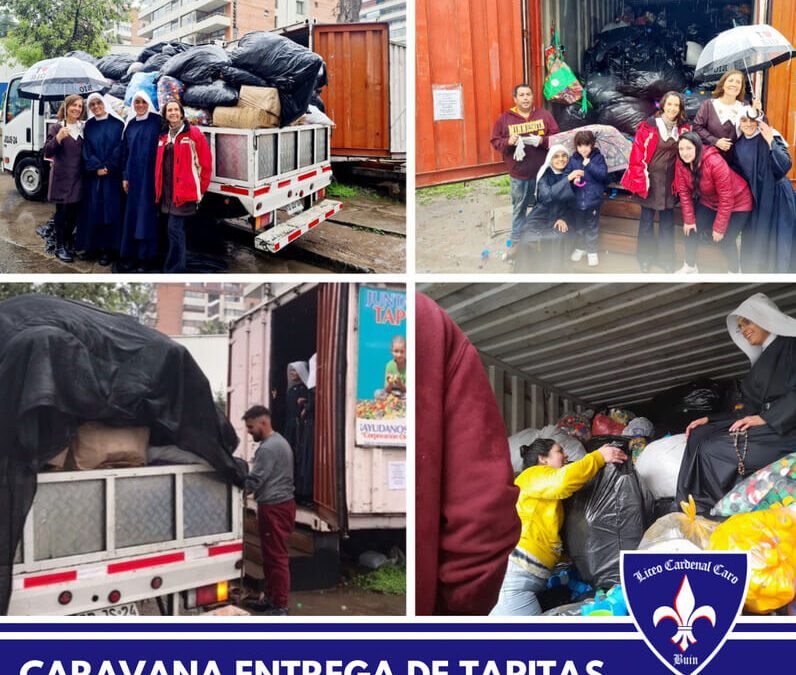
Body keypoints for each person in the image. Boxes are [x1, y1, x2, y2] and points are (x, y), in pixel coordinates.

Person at [415, 292, 520, 615]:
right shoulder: (428, 323)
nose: (563, 457)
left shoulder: (425, 324)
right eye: (559, 452)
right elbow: (486, 517)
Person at [676, 293, 796, 515]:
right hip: (767, 426)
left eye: (747, 321)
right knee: (699, 434)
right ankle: (684, 505)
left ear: (765, 317)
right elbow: (747, 412)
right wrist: (709, 419)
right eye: (740, 326)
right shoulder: (761, 362)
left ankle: (712, 513)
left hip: (786, 430)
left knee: (713, 451)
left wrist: (767, 417)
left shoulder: (791, 345)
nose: (743, 329)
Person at [489, 438, 627, 616]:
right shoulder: (532, 475)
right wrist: (598, 457)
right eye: (559, 451)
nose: (566, 455)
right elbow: (563, 481)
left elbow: (543, 532)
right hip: (513, 579)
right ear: (543, 459)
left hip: (523, 577)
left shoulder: (546, 495)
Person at [621, 91, 691, 273]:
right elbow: (636, 155)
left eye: (677, 105)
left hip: (670, 183)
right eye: (670, 104)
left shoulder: (683, 130)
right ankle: (645, 259)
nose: (673, 108)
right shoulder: (649, 126)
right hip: (649, 181)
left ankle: (667, 260)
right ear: (663, 105)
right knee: (646, 222)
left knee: (667, 223)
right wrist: (639, 180)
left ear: (680, 108)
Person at [673, 132, 753, 273]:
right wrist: (689, 219)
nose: (684, 153)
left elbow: (726, 197)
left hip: (739, 202)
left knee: (726, 238)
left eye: (689, 148)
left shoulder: (714, 162)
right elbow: (684, 193)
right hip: (710, 201)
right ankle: (690, 266)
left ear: (697, 148)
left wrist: (719, 228)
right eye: (681, 149)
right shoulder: (681, 163)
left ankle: (734, 272)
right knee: (690, 230)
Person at [243, 405, 296, 615]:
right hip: (278, 505)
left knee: (276, 557)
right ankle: (271, 599)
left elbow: (255, 479)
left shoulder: (267, 448)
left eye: (250, 427)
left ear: (263, 422)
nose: (249, 431)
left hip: (275, 507)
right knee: (270, 555)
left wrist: (235, 490)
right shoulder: (278, 442)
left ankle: (280, 606)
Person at [490, 84, 560, 242]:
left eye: (528, 94)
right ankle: (517, 242)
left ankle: (537, 239)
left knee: (542, 207)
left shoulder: (544, 115)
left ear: (533, 96)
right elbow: (495, 141)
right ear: (515, 99)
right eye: (521, 95)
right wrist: (509, 141)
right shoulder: (505, 118)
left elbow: (556, 137)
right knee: (519, 209)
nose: (525, 98)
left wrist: (542, 140)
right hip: (519, 174)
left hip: (542, 173)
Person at [733, 106, 796, 274]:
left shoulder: (771, 136)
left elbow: (785, 166)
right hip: (757, 200)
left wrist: (770, 142)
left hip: (778, 197)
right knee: (757, 241)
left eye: (752, 120)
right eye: (744, 120)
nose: (748, 124)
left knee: (779, 240)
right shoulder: (738, 145)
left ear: (758, 122)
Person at [155, 99, 212, 273]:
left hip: (183, 194)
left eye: (175, 110)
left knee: (175, 231)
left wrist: (199, 190)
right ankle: (172, 265)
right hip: (167, 193)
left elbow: (205, 164)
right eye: (169, 110)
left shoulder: (192, 133)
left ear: (181, 113)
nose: (173, 113)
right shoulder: (164, 136)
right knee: (171, 232)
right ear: (165, 115)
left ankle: (174, 270)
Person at [77, 93, 125, 266]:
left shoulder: (118, 124)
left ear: (104, 103)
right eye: (92, 105)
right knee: (92, 211)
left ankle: (107, 250)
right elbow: (86, 149)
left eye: (99, 103)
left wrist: (108, 167)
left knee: (109, 212)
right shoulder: (88, 126)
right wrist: (96, 167)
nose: (96, 107)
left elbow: (121, 148)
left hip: (111, 177)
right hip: (94, 177)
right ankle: (91, 248)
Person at [515, 144, 574, 274]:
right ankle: (527, 273)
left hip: (561, 215)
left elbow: (574, 203)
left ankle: (553, 274)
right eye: (556, 156)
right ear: (550, 160)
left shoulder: (572, 174)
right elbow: (546, 197)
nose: (561, 159)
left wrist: (564, 218)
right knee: (527, 238)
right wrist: (566, 181)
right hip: (542, 214)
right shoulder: (545, 174)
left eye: (564, 156)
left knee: (558, 237)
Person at [120, 91, 162, 272]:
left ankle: (147, 257)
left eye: (143, 102)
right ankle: (133, 255)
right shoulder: (129, 125)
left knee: (147, 217)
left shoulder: (157, 121)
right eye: (136, 102)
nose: (140, 105)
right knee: (133, 217)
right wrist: (125, 176)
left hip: (151, 177)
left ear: (148, 103)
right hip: (134, 178)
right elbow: (125, 153)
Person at [43, 94, 85, 263]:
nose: (77, 108)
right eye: (73, 105)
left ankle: (68, 243)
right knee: (62, 214)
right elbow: (47, 151)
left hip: (78, 178)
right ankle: (60, 246)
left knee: (74, 214)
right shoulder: (57, 128)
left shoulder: (83, 128)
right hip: (62, 179)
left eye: (80, 106)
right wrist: (58, 138)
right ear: (66, 107)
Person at [692, 69, 763, 165]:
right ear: (723, 85)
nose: (734, 84)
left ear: (741, 87)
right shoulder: (708, 105)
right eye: (730, 80)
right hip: (713, 162)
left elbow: (760, 127)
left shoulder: (745, 106)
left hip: (740, 163)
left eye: (738, 82)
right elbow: (697, 127)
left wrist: (757, 111)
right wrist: (715, 141)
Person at [566, 130, 608, 267]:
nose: (583, 149)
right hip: (577, 201)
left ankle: (592, 251)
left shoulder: (598, 158)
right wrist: (573, 179)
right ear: (576, 147)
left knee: (591, 227)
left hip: (593, 201)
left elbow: (603, 175)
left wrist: (589, 165)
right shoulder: (573, 160)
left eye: (586, 145)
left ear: (592, 145)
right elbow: (566, 177)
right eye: (580, 146)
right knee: (579, 227)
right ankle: (580, 248)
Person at [282, 362, 309, 503]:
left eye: (295, 371)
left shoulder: (305, 390)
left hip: (300, 429)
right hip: (290, 428)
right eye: (291, 371)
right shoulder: (291, 391)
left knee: (299, 457)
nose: (292, 374)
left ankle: (300, 491)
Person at [295, 354, 316, 508]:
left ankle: (307, 492)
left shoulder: (312, 388)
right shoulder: (311, 388)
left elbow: (315, 401)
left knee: (308, 460)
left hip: (311, 427)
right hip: (308, 427)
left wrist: (307, 408)